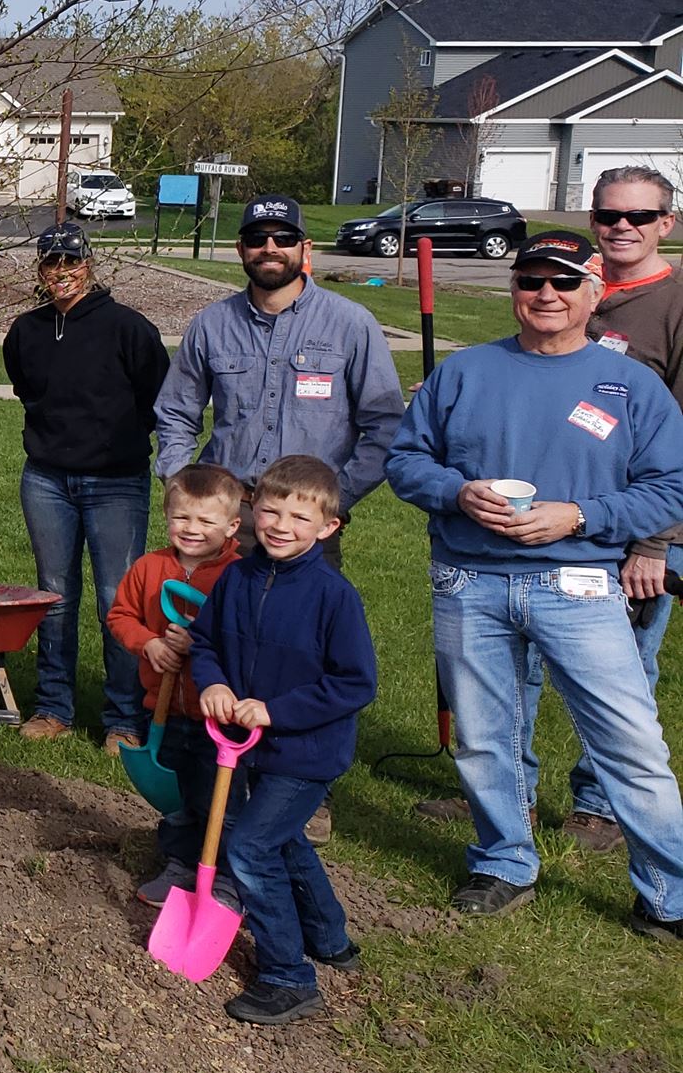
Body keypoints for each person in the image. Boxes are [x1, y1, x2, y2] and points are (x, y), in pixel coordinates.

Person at [386, 228, 683, 945]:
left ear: (594, 293)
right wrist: (457, 495)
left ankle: (669, 896)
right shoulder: (466, 373)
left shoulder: (631, 385)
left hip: (579, 584)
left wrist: (580, 514)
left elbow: (670, 488)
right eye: (530, 281)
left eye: (563, 282)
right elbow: (405, 461)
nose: (545, 294)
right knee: (486, 739)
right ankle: (503, 862)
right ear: (513, 291)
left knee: (630, 744)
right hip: (469, 581)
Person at [154, 192, 403, 843]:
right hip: (229, 520)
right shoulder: (211, 325)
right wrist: (186, 487)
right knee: (216, 645)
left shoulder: (351, 325)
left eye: (283, 237)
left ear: (304, 248)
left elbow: (383, 426)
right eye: (257, 237)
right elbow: (176, 414)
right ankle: (215, 773)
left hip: (306, 524)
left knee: (301, 656)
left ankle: (300, 791)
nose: (270, 248)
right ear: (242, 249)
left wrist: (336, 502)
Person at [190, 455, 377, 1025]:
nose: (280, 525)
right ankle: (330, 938)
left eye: (299, 517)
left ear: (327, 528)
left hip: (307, 752)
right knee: (284, 840)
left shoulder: (332, 595)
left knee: (249, 847)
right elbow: (204, 643)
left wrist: (275, 711)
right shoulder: (237, 577)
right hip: (251, 750)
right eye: (270, 511)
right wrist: (214, 682)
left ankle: (286, 976)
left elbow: (355, 682)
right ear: (252, 512)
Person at [1, 220, 170, 746]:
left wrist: (116, 441)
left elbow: (157, 397)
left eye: (70, 262)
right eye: (50, 263)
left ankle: (123, 717)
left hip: (116, 482)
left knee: (118, 597)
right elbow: (27, 389)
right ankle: (54, 706)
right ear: (39, 269)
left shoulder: (127, 327)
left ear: (89, 264)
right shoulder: (26, 331)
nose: (61, 273)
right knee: (55, 594)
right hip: (48, 480)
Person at [566, 166, 683, 850]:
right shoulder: (578, 290)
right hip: (563, 512)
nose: (622, 228)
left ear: (666, 223)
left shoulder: (673, 305)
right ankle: (510, 792)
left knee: (623, 663)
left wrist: (655, 542)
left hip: (642, 528)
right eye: (611, 215)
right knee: (522, 656)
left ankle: (600, 804)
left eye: (640, 217)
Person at [107, 461, 246, 904]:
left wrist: (201, 641)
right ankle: (180, 863)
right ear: (167, 516)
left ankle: (226, 874)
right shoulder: (150, 568)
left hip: (217, 714)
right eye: (182, 517)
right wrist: (148, 643)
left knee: (217, 798)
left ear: (232, 526)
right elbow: (120, 616)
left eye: (207, 521)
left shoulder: (238, 576)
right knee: (178, 796)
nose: (192, 529)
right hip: (162, 709)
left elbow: (247, 637)